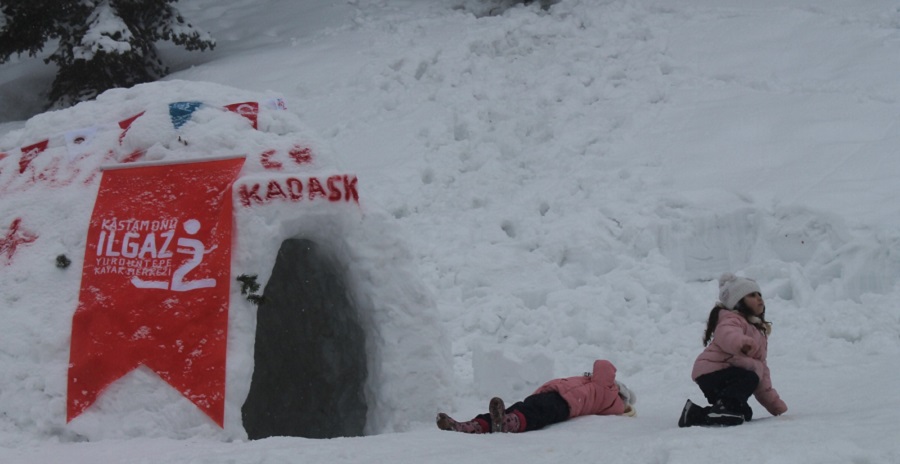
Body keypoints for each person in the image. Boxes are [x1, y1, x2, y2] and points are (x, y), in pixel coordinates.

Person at [678, 273, 788, 427]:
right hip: (713, 373)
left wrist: (774, 405)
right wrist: (741, 343)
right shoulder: (731, 319)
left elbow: (762, 374)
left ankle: (693, 414)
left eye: (759, 294)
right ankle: (724, 407)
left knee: (742, 413)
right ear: (738, 302)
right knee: (749, 377)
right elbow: (727, 335)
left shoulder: (757, 332)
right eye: (751, 295)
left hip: (725, 378)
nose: (759, 298)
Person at [436, 359, 636, 434]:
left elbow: (602, 364)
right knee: (520, 410)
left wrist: (615, 383)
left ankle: (502, 424)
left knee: (533, 414)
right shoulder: (601, 391)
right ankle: (472, 425)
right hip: (551, 396)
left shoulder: (610, 395)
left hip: (564, 404)